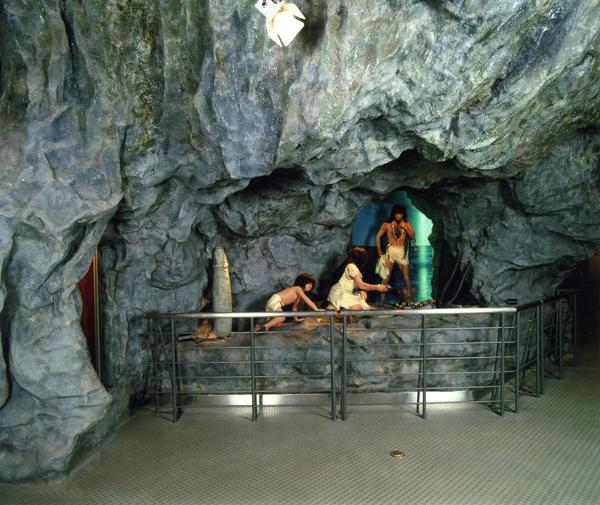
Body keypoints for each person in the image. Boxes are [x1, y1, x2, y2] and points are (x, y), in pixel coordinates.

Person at [375, 204, 416, 300]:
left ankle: (410, 299)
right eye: (397, 214)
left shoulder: (407, 224)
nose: (399, 216)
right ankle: (382, 301)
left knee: (406, 276)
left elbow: (413, 236)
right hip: (390, 251)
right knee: (386, 277)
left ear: (403, 214)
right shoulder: (387, 224)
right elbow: (378, 236)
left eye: (400, 214)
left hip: (402, 252)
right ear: (393, 214)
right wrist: (379, 250)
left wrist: (405, 227)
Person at [256, 273, 323, 331]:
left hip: (275, 302)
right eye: (309, 284)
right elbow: (307, 300)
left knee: (278, 323)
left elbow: (294, 308)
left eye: (312, 284)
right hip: (275, 300)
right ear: (302, 283)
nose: (311, 286)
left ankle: (260, 326)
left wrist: (296, 319)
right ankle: (265, 327)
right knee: (281, 317)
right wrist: (316, 309)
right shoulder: (297, 289)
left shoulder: (298, 295)